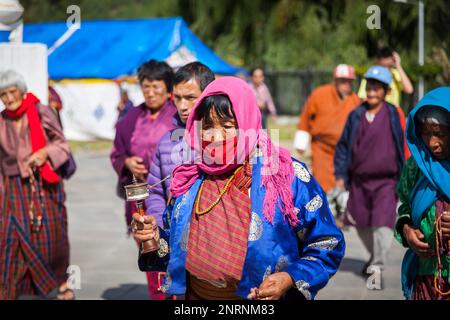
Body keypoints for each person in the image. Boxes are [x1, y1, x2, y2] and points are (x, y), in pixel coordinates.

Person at [132, 77, 345, 300]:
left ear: (247, 124)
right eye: (207, 127)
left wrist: (289, 278)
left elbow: (327, 242)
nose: (215, 137)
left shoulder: (285, 175)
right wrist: (154, 237)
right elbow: (175, 240)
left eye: (226, 127)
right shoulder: (191, 176)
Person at [0, 70, 72, 300]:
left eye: (12, 92)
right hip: (12, 188)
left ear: (21, 91)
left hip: (43, 185)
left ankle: (60, 283)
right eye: (3, 95)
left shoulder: (42, 112)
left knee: (50, 238)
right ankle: (8, 290)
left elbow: (62, 144)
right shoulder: (1, 121)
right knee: (10, 238)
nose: (9, 99)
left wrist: (44, 153)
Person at [110, 60, 177, 300]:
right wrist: (126, 162)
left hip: (170, 195)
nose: (150, 92)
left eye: (156, 86)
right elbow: (116, 152)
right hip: (140, 198)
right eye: (145, 86)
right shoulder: (131, 118)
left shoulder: (177, 116)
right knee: (149, 251)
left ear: (168, 88)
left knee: (173, 251)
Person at [334, 66, 405, 284]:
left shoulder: (394, 114)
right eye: (370, 88)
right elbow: (344, 146)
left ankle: (377, 265)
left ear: (386, 91)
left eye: (377, 88)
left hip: (386, 181)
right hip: (359, 182)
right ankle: (374, 256)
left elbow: (405, 143)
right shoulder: (356, 115)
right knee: (362, 223)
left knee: (383, 224)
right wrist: (340, 175)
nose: (372, 92)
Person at [394, 87, 450, 300]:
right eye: (426, 133)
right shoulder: (416, 167)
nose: (432, 143)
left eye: (440, 134)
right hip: (425, 277)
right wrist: (407, 230)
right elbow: (405, 206)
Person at [146, 62, 215, 228]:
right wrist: (161, 229)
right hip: (175, 236)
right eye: (177, 98)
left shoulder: (225, 140)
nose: (182, 106)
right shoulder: (166, 142)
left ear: (208, 95)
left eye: (190, 98)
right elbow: (155, 192)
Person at [294, 64, 361, 194]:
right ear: (335, 80)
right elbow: (306, 117)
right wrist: (301, 142)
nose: (345, 84)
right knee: (321, 184)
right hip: (322, 149)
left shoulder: (355, 101)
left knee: (344, 185)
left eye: (348, 81)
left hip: (345, 151)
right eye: (342, 80)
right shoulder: (319, 94)